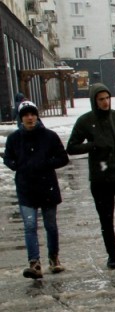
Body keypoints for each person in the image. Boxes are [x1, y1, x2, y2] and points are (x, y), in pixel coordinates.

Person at [67, 83, 115, 269]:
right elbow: (72, 147)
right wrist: (93, 145)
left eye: (107, 98)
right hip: (100, 179)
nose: (105, 102)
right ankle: (112, 254)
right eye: (101, 99)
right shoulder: (86, 121)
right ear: (94, 101)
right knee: (106, 218)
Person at [3, 101, 70, 279]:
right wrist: (14, 164)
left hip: (47, 187)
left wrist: (46, 164)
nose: (30, 118)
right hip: (26, 188)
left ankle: (54, 258)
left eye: (32, 114)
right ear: (21, 118)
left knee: (50, 225)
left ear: (37, 116)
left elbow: (63, 158)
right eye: (25, 115)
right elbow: (8, 157)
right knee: (30, 226)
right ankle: (34, 263)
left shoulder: (49, 136)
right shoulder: (14, 138)